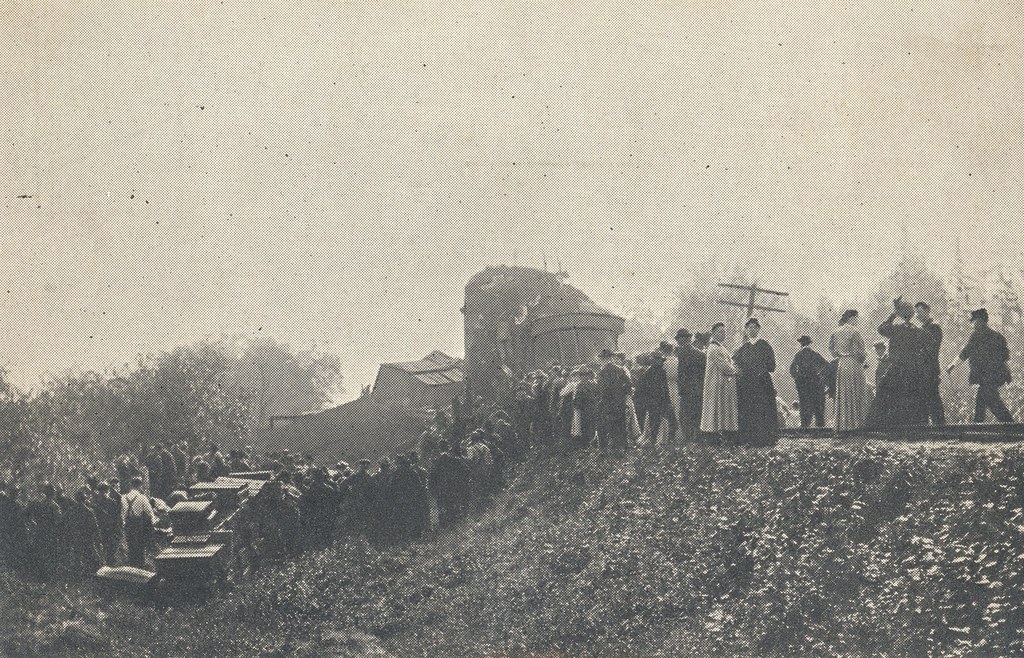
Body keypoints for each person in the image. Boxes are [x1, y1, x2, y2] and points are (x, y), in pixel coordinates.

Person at [947, 308, 1015, 423]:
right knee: (984, 401)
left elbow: (965, 352)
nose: (972, 324)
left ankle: (1010, 425)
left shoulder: (976, 335)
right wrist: (1007, 374)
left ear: (979, 321)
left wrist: (952, 365)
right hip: (996, 376)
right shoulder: (997, 336)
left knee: (993, 403)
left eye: (973, 321)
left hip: (985, 376)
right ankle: (980, 424)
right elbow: (1005, 357)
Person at [876, 298, 934, 426]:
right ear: (913, 315)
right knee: (913, 399)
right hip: (913, 370)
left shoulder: (896, 329)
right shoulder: (918, 331)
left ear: (901, 315)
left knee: (885, 394)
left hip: (896, 369)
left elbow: (880, 329)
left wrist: (893, 314)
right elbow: (929, 342)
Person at [733, 318, 779, 445]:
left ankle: (765, 438)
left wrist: (761, 369)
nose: (752, 330)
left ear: (759, 329)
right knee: (748, 409)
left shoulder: (765, 346)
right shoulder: (743, 348)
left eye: (755, 327)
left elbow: (772, 366)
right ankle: (749, 439)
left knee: (764, 409)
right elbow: (735, 364)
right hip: (747, 385)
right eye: (749, 327)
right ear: (746, 330)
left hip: (762, 383)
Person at [828, 311, 869, 431]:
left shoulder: (836, 332)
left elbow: (832, 350)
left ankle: (844, 425)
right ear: (851, 318)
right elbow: (860, 352)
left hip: (842, 364)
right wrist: (863, 359)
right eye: (857, 318)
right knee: (856, 391)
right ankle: (856, 424)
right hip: (854, 363)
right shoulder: (855, 332)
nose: (857, 321)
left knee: (844, 393)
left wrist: (840, 355)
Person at [700, 322, 739, 441]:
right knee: (715, 407)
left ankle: (720, 434)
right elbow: (725, 366)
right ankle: (713, 435)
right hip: (716, 382)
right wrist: (735, 370)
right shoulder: (713, 348)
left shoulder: (720, 347)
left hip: (721, 382)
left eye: (724, 332)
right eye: (720, 331)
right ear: (713, 333)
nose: (723, 334)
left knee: (720, 407)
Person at [596, 348, 633, 454]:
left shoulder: (602, 371)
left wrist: (602, 399)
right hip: (620, 402)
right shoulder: (620, 369)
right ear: (611, 358)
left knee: (604, 425)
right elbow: (629, 385)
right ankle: (622, 447)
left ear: (603, 359)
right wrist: (622, 395)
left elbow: (602, 388)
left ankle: (605, 449)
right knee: (620, 424)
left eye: (602, 358)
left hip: (607, 402)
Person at [429, 440, 472, 526]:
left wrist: (433, 489)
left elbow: (432, 477)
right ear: (448, 447)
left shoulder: (436, 462)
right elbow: (466, 471)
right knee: (453, 505)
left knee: (442, 507)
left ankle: (444, 525)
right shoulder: (455, 460)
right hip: (453, 487)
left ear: (440, 448)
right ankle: (454, 524)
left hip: (441, 489)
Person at [915, 302, 946, 425]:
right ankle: (927, 429)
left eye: (920, 312)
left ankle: (941, 428)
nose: (917, 315)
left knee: (933, 400)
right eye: (916, 313)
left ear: (928, 311)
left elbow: (931, 349)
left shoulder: (934, 327)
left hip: (930, 370)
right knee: (923, 401)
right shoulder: (922, 329)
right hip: (921, 370)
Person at [790, 336, 829, 428]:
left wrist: (798, 379)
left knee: (804, 404)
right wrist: (821, 376)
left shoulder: (798, 355)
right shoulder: (814, 354)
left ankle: (805, 425)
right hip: (816, 383)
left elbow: (792, 370)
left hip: (803, 384)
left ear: (801, 344)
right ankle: (820, 426)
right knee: (818, 404)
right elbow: (826, 365)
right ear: (810, 344)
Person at [675, 328, 707, 443]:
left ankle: (689, 439)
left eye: (681, 339)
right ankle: (696, 439)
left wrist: (680, 389)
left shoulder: (679, 354)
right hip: (698, 389)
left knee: (685, 416)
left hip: (686, 390)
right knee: (696, 415)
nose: (680, 342)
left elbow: (680, 374)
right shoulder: (700, 354)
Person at [122, 476, 157, 569]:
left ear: (131, 485)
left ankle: (132, 566)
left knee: (131, 546)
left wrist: (124, 524)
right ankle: (140, 566)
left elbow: (122, 514)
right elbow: (150, 512)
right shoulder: (142, 497)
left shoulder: (123, 498)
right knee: (140, 546)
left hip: (128, 524)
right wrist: (153, 522)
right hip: (138, 524)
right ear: (140, 486)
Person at [571, 366, 599, 449]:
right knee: (593, 427)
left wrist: (575, 406)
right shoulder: (594, 384)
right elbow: (598, 396)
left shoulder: (579, 386)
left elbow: (577, 401)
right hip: (593, 408)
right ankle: (594, 446)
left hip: (584, 409)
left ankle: (586, 447)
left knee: (584, 427)